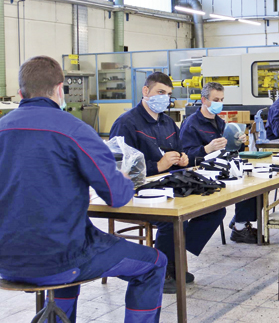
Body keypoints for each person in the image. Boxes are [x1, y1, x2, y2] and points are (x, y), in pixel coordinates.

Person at [0, 56, 166, 323]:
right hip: (61, 258)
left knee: (68, 248)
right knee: (154, 263)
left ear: (21, 93)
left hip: (6, 261)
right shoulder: (74, 130)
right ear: (60, 89)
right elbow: (116, 196)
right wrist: (123, 178)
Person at [109, 72, 226, 294]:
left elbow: (181, 150)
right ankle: (162, 272)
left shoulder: (168, 122)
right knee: (171, 220)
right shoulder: (126, 123)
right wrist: (157, 166)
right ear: (146, 91)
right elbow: (117, 169)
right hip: (138, 191)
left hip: (168, 184)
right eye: (160, 92)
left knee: (215, 208)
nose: (164, 97)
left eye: (168, 94)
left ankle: (174, 256)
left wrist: (183, 159)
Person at [180, 82, 258, 244]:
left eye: (222, 99)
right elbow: (185, 157)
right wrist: (206, 149)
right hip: (202, 173)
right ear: (204, 100)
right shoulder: (191, 124)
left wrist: (238, 141)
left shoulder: (220, 122)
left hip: (222, 168)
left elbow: (229, 148)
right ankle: (184, 247)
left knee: (255, 184)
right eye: (216, 100)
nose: (219, 103)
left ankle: (240, 224)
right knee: (217, 210)